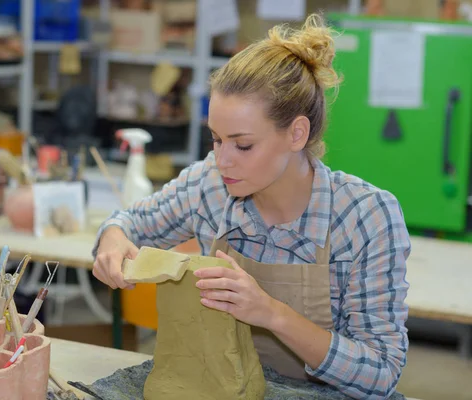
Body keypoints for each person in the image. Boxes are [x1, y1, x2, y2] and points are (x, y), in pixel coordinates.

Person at [92, 14, 409, 400]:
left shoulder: (366, 216)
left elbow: (381, 373)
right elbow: (127, 223)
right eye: (216, 140)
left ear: (296, 133)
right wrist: (112, 241)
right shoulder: (209, 185)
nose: (223, 160)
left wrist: (270, 313)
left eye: (242, 145)